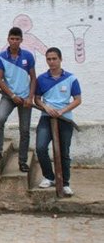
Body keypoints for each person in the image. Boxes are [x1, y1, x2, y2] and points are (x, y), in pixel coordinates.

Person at [34, 47, 81, 196]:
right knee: (41, 148)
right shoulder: (41, 78)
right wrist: (46, 108)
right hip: (46, 118)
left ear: (60, 59)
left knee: (64, 152)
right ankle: (49, 177)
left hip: (65, 119)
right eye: (49, 59)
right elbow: (37, 99)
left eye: (54, 59)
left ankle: (65, 183)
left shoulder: (71, 78)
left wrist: (62, 111)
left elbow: (78, 100)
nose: (52, 62)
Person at [0, 27, 36, 172]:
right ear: (8, 39)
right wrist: (12, 96)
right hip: (8, 96)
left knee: (24, 130)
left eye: (17, 39)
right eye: (12, 38)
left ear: (21, 40)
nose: (14, 41)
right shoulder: (0, 57)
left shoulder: (28, 56)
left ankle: (23, 161)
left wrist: (30, 97)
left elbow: (33, 78)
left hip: (25, 99)